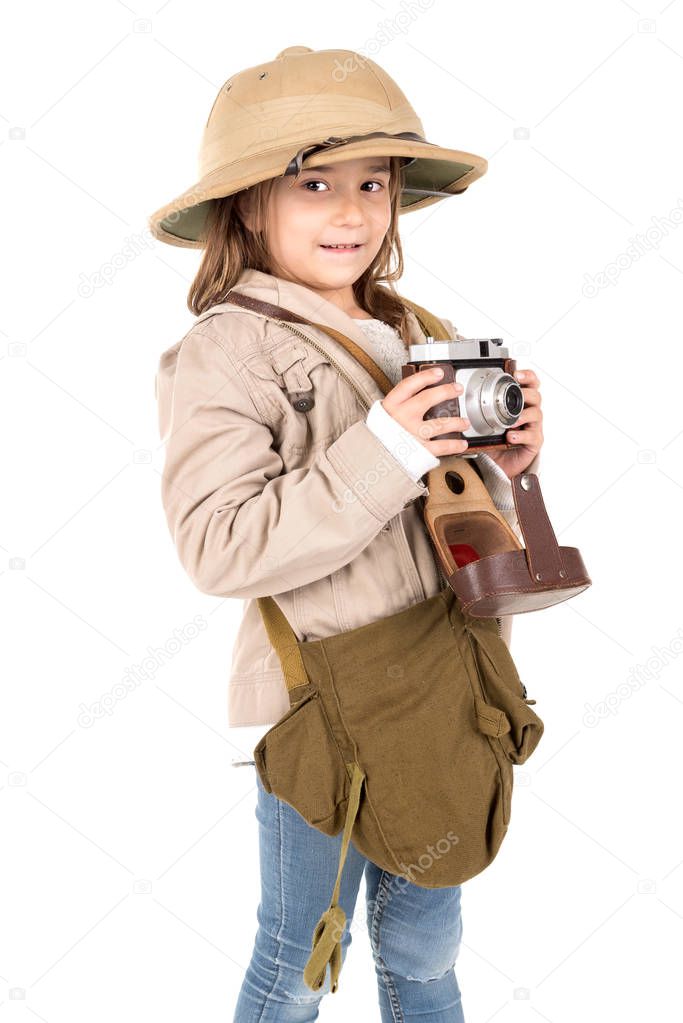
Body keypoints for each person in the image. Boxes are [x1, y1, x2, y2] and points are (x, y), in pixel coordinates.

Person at [150, 45, 543, 1023]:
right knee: (299, 960)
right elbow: (218, 548)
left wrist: (509, 466)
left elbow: (442, 518)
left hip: (443, 690)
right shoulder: (225, 349)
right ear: (246, 204)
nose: (353, 211)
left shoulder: (411, 326)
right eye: (314, 183)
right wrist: (384, 443)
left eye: (374, 182)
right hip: (319, 702)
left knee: (424, 947)